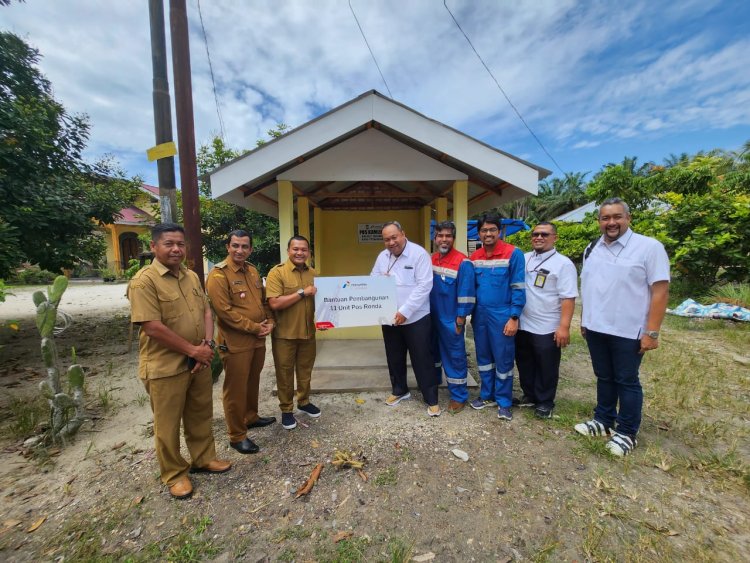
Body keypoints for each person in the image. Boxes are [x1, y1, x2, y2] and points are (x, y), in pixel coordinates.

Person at [128, 223, 230, 500]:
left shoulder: (191, 277)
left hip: (199, 360)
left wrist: (207, 345)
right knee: (168, 424)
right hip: (165, 366)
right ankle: (174, 474)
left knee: (200, 413)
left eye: (180, 244)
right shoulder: (144, 281)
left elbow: (206, 312)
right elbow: (152, 327)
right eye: (169, 244)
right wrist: (192, 351)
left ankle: (203, 458)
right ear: (154, 247)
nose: (176, 249)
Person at [575, 198, 670, 457]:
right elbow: (590, 286)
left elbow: (660, 291)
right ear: (599, 222)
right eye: (605, 218)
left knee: (627, 380)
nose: (611, 222)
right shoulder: (592, 247)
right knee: (603, 376)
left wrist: (652, 332)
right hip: (596, 327)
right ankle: (603, 420)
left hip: (629, 330)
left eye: (617, 217)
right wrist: (585, 319)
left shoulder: (649, 248)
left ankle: (627, 432)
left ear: (628, 218)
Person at [206, 230, 276, 455]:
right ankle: (236, 435)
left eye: (245, 246)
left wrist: (270, 320)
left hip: (257, 339)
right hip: (236, 341)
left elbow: (263, 301)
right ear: (227, 246)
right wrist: (257, 328)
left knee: (252, 379)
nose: (240, 250)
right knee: (235, 388)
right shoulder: (218, 276)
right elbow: (224, 313)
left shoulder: (253, 271)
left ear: (250, 249)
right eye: (235, 245)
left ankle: (250, 417)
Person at [371, 221, 439, 416]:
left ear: (403, 234)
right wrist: (376, 282)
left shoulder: (419, 254)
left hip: (416, 318)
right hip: (389, 317)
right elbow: (372, 278)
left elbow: (424, 286)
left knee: (422, 358)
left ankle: (431, 398)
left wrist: (405, 311)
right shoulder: (382, 257)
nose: (391, 242)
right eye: (387, 239)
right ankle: (400, 390)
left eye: (394, 237)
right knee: (394, 356)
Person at [514, 222, 578, 419]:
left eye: (544, 234)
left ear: (554, 238)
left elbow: (568, 297)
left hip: (547, 324)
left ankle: (545, 401)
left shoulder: (563, 264)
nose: (539, 237)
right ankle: (530, 395)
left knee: (546, 364)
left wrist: (564, 327)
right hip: (523, 322)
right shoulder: (523, 259)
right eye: (535, 234)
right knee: (524, 360)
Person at [469, 214, 526, 421]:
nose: (488, 233)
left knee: (503, 359)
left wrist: (514, 316)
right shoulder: (475, 258)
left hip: (502, 314)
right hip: (480, 315)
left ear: (500, 231)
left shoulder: (513, 254)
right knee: (483, 358)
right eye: (484, 230)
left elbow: (518, 287)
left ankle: (504, 401)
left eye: (492, 229)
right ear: (479, 233)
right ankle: (487, 396)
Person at [266, 235, 321, 430]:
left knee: (305, 372)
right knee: (285, 374)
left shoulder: (313, 273)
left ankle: (304, 402)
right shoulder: (277, 273)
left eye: (304, 249)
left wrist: (327, 319)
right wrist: (301, 293)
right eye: (295, 249)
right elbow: (274, 303)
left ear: (308, 252)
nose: (300, 253)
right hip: (285, 335)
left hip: (308, 333)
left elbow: (324, 303)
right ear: (288, 250)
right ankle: (287, 410)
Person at [430, 221, 475, 414]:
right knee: (432, 352)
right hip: (431, 316)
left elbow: (466, 293)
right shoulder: (431, 259)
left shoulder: (463, 262)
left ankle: (458, 396)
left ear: (453, 239)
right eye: (440, 235)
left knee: (455, 355)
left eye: (448, 236)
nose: (444, 239)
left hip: (451, 319)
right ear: (435, 238)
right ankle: (435, 381)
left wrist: (461, 318)